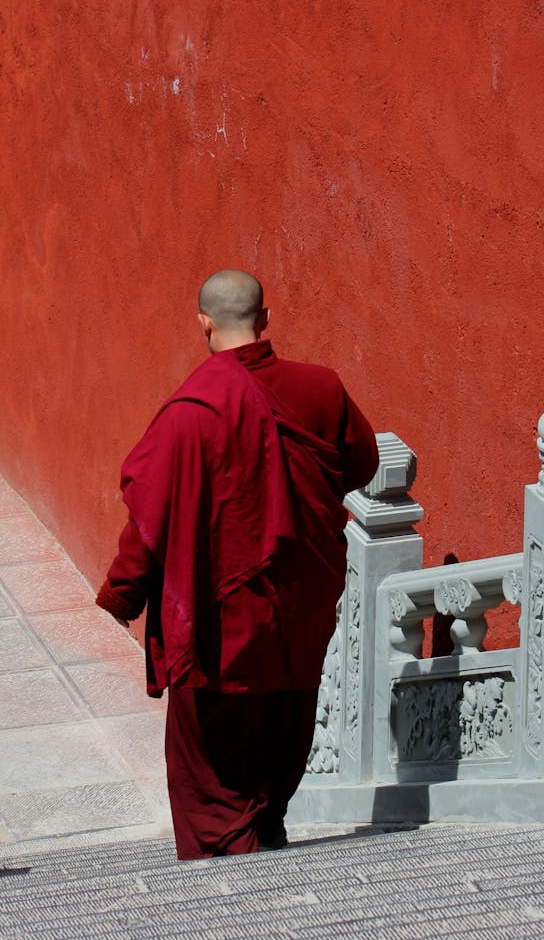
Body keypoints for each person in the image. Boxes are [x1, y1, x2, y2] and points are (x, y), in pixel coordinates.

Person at [95, 269, 379, 859]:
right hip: (297, 613)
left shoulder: (190, 410)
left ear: (204, 323)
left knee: (211, 786)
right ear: (266, 318)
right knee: (278, 748)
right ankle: (265, 852)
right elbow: (361, 465)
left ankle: (232, 895)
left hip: (218, 626)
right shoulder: (322, 389)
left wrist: (124, 593)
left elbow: (149, 518)